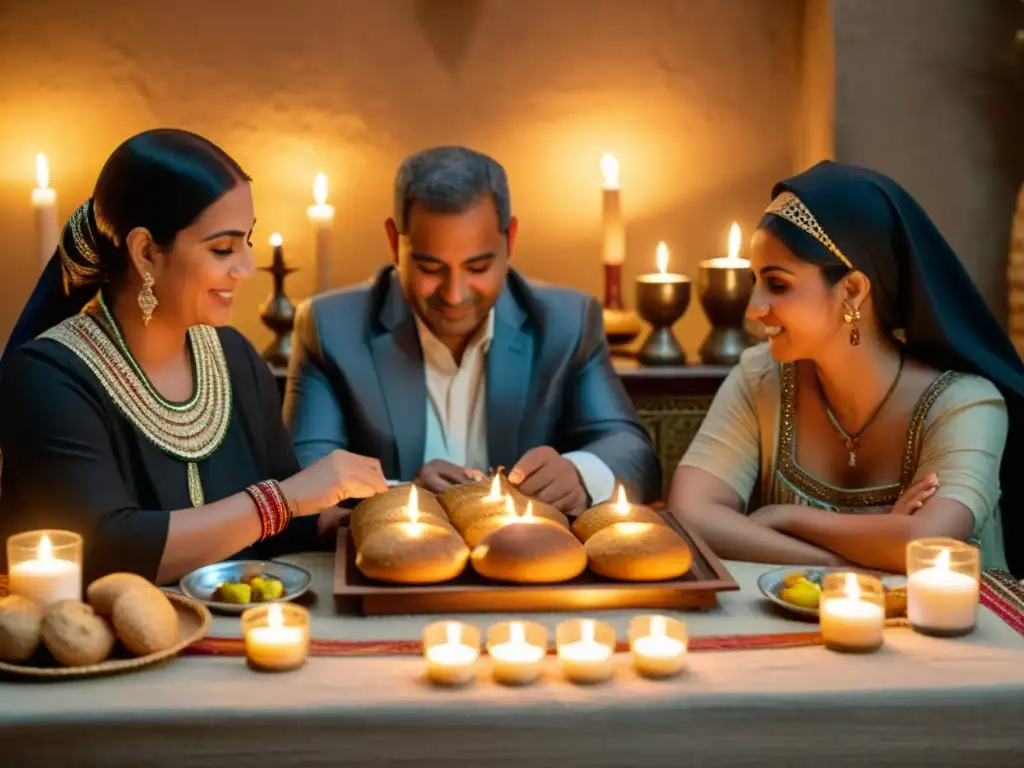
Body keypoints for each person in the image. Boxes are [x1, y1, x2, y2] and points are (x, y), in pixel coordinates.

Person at [0, 129, 387, 585]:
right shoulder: (48, 377)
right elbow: (103, 548)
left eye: (248, 241)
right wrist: (284, 501)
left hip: (243, 642)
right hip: (113, 645)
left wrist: (338, 519)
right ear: (146, 252)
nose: (245, 268)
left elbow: (281, 516)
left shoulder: (234, 358)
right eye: (222, 249)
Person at [670, 160, 1023, 575]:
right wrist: (855, 554)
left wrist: (782, 519)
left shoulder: (964, 404)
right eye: (755, 282)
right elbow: (691, 515)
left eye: (778, 284)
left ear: (852, 289)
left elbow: (926, 545)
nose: (753, 309)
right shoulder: (760, 378)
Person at [284, 145, 660, 516]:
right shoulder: (331, 326)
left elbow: (631, 451)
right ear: (393, 241)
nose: (454, 294)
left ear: (510, 239)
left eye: (478, 267)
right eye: (431, 268)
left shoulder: (568, 321)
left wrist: (580, 474)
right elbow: (303, 477)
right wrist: (403, 494)